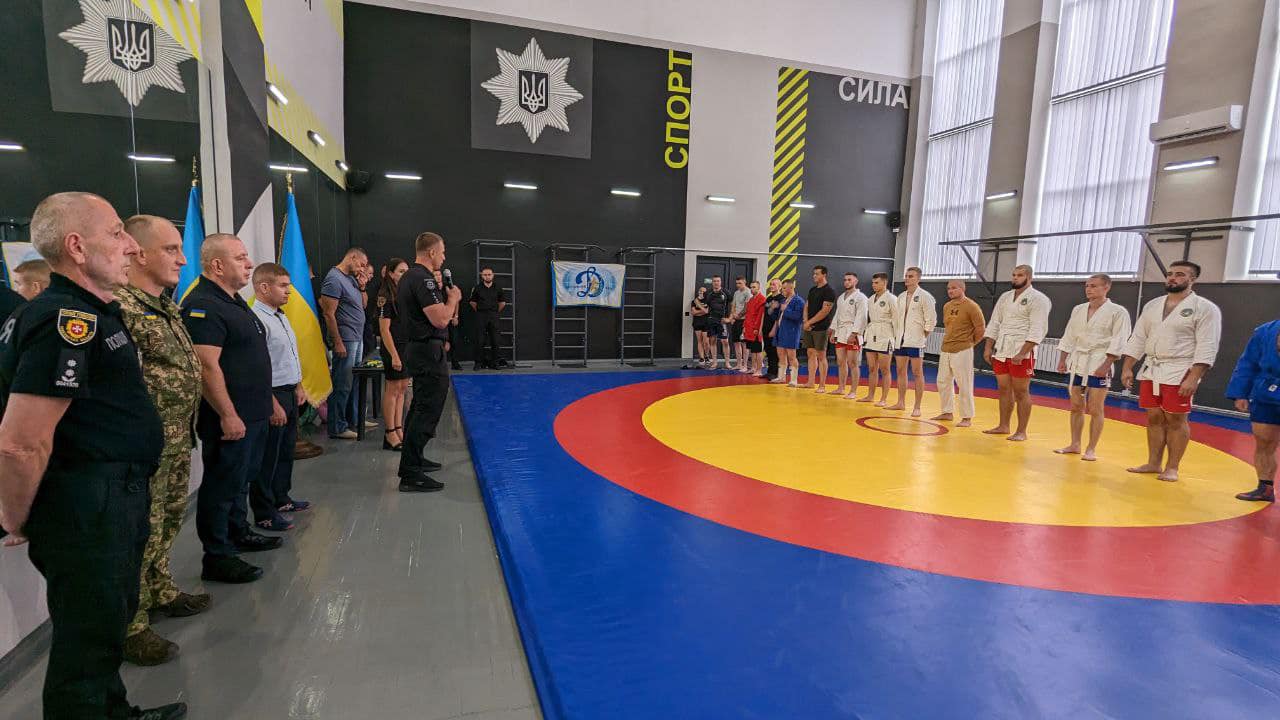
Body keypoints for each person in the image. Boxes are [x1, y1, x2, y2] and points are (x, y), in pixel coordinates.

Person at [0, 192, 186, 719]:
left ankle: (113, 711)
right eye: (116, 233)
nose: (130, 246)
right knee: (87, 638)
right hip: (87, 504)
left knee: (105, 624)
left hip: (107, 499)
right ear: (77, 247)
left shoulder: (90, 313)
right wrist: (13, 515)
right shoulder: (65, 320)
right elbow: (20, 441)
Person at [116, 215, 207, 667]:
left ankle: (160, 590)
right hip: (143, 447)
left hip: (175, 438)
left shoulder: (163, 305)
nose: (183, 259)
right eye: (171, 249)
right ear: (138, 252)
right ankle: (131, 626)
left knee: (167, 521)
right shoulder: (121, 309)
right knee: (139, 534)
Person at [183, 233, 279, 584]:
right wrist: (227, 413)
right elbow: (206, 365)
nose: (249, 264)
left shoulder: (233, 301)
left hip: (251, 412)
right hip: (231, 417)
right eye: (240, 258)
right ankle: (218, 555)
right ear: (217, 265)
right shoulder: (203, 305)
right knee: (222, 487)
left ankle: (238, 532)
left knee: (240, 481)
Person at [1121, 261, 1222, 482]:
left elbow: (1207, 345)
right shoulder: (1153, 305)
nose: (1172, 278)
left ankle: (1172, 467)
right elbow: (1139, 337)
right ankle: (1153, 463)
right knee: (1153, 417)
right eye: (1169, 274)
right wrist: (1128, 366)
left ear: (1192, 279)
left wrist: (1194, 377)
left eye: (1179, 274)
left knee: (1176, 419)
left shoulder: (1204, 308)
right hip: (1152, 368)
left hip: (1180, 369)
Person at [397, 232, 462, 493]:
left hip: (420, 349)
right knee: (427, 410)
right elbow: (441, 319)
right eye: (442, 252)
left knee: (419, 408)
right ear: (432, 252)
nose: (444, 257)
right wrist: (453, 298)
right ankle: (411, 473)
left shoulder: (409, 277)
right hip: (426, 352)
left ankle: (414, 460)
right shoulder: (422, 279)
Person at [249, 263, 310, 531]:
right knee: (268, 456)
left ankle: (281, 498)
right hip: (271, 394)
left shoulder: (280, 316)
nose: (289, 291)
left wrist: (299, 385)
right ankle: (264, 511)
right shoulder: (256, 319)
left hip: (288, 390)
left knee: (285, 450)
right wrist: (271, 402)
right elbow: (258, 367)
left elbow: (288, 356)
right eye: (283, 286)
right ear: (264, 287)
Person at [1054, 274, 1131, 461]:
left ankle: (1091, 448)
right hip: (1078, 361)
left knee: (1096, 408)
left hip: (1099, 360)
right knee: (1075, 406)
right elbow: (1069, 335)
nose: (1089, 289)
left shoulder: (1118, 312)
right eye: (1087, 285)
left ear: (1106, 287)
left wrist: (1106, 365)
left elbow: (1119, 340)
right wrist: (1063, 359)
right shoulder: (1078, 309)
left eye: (1094, 286)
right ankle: (1075, 444)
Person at [982, 264, 1051, 441]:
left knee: (1021, 391)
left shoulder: (1038, 299)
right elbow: (995, 322)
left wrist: (1023, 352)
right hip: (1002, 348)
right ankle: (1003, 425)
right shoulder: (1005, 297)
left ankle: (1021, 431)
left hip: (1022, 349)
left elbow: (1038, 328)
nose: (1015, 278)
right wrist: (988, 346)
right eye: (1014, 275)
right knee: (1003, 389)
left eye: (1020, 275)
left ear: (1029, 278)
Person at [319, 247, 370, 439]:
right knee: (342, 383)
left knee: (353, 383)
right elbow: (328, 314)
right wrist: (337, 342)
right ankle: (337, 427)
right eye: (361, 264)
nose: (362, 269)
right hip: (346, 338)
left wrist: (362, 287)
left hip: (357, 337)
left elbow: (363, 305)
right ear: (352, 257)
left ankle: (353, 420)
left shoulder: (351, 279)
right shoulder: (334, 279)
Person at [1227, 318, 1280, 501]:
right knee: (1264, 441)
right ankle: (1265, 488)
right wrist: (1240, 393)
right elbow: (1248, 363)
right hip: (1266, 393)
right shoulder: (1265, 331)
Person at [932, 280, 985, 427]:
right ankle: (947, 412)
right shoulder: (947, 306)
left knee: (964, 383)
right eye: (948, 288)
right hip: (946, 348)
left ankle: (967, 417)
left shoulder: (972, 306)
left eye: (954, 288)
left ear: (962, 289)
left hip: (963, 349)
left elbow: (980, 328)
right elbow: (949, 326)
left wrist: (970, 343)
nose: (950, 291)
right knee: (942, 381)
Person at [888, 267, 936, 416]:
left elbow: (931, 319)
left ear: (918, 279)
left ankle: (917, 407)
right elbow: (897, 318)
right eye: (906, 276)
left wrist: (923, 336)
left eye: (911, 276)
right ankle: (900, 402)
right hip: (901, 339)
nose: (907, 279)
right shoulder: (901, 296)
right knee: (900, 370)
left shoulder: (925, 296)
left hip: (916, 339)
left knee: (917, 372)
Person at [377, 258, 410, 450]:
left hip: (406, 346)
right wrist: (395, 356)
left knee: (403, 388)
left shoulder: (404, 292)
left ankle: (399, 428)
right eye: (401, 271)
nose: (404, 274)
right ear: (391, 273)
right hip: (393, 347)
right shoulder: (385, 295)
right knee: (392, 388)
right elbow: (384, 330)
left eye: (406, 271)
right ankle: (389, 432)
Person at [859, 273, 897, 406]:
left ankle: (883, 399)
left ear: (884, 283)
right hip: (871, 333)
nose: (873, 285)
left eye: (876, 283)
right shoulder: (870, 299)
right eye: (873, 283)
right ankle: (870, 396)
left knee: (885, 369)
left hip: (885, 334)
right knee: (871, 368)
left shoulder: (892, 299)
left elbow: (896, 320)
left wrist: (896, 338)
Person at [828, 272, 867, 399]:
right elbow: (837, 315)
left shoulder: (861, 297)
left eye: (849, 280)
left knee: (853, 363)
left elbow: (862, 317)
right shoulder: (841, 297)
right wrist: (833, 331)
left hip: (852, 331)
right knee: (840, 362)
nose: (846, 282)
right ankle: (841, 388)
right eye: (845, 280)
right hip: (841, 331)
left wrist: (854, 333)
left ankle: (853, 391)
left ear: (856, 281)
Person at [802, 266, 837, 391]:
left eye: (817, 274)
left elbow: (825, 311)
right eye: (814, 274)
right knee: (810, 353)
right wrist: (805, 321)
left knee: (821, 355)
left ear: (824, 275)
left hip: (821, 327)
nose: (814, 276)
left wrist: (809, 322)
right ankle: (811, 382)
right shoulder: (812, 290)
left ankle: (822, 385)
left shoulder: (829, 291)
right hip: (809, 327)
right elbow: (806, 306)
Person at [769, 279, 805, 386]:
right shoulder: (784, 300)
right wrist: (774, 308)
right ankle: (781, 377)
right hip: (781, 330)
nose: (782, 290)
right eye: (782, 288)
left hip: (791, 331)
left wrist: (786, 310)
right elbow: (778, 317)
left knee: (791, 356)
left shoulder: (799, 301)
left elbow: (798, 317)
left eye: (784, 288)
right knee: (781, 355)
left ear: (791, 287)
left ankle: (793, 380)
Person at [469, 267, 507, 369]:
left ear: (493, 275)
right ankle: (478, 363)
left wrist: (494, 312)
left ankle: (495, 363)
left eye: (489, 274)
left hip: (493, 315)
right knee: (480, 340)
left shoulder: (498, 288)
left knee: (495, 340)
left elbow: (502, 303)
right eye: (485, 275)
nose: (487, 276)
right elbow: (472, 302)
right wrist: (481, 311)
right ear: (482, 276)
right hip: (481, 315)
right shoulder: (477, 288)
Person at [436, 269, 465, 370]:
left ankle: (455, 363)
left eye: (439, 275)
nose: (438, 277)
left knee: (454, 341)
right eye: (435, 275)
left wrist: (456, 316)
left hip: (450, 318)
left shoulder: (448, 287)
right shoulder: (431, 288)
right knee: (439, 342)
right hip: (438, 319)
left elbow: (456, 301)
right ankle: (440, 364)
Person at [703, 275, 732, 369]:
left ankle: (727, 363)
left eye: (718, 281)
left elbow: (733, 306)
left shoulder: (726, 292)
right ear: (712, 282)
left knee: (725, 341)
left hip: (722, 320)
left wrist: (730, 318)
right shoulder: (708, 293)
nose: (716, 282)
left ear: (721, 282)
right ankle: (714, 362)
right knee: (712, 341)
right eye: (714, 281)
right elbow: (706, 307)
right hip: (712, 320)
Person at [741, 280, 767, 376]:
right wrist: (744, 326)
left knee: (758, 350)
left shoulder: (762, 299)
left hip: (755, 329)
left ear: (758, 288)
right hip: (748, 328)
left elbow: (760, 316)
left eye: (754, 287)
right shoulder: (751, 300)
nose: (752, 289)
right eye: (751, 287)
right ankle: (753, 368)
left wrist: (757, 328)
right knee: (752, 350)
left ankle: (759, 370)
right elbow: (748, 314)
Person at [761, 279, 784, 379]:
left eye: (774, 284)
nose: (771, 286)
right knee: (768, 349)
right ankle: (769, 371)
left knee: (774, 350)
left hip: (774, 328)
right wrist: (761, 327)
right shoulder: (769, 298)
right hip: (766, 327)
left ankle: (775, 373)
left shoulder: (781, 299)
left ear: (779, 286)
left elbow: (779, 316)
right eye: (770, 284)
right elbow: (765, 313)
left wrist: (774, 329)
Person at [729, 277, 752, 372]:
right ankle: (739, 364)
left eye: (740, 283)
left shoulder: (748, 292)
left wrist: (738, 316)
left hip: (744, 320)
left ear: (745, 283)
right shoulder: (736, 292)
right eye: (737, 283)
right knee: (736, 342)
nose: (738, 285)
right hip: (736, 320)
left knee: (744, 343)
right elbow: (733, 305)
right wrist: (732, 316)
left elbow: (746, 308)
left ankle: (745, 365)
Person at [690, 286, 710, 368]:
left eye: (703, 291)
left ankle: (707, 356)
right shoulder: (694, 301)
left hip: (706, 323)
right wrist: (703, 311)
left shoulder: (708, 301)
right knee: (699, 341)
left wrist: (699, 310)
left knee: (706, 341)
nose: (702, 292)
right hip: (697, 322)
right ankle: (702, 358)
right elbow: (693, 312)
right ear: (698, 292)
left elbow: (707, 311)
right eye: (700, 291)